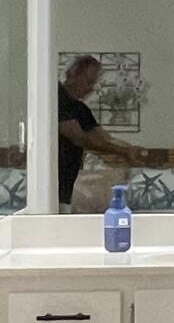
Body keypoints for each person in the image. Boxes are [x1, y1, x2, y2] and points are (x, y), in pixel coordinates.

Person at [56, 56, 153, 209]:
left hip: (65, 189)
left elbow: (101, 138)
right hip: (49, 188)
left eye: (93, 83)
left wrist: (129, 151)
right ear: (72, 75)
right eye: (89, 82)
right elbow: (78, 138)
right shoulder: (55, 97)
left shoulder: (80, 109)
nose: (91, 88)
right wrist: (124, 152)